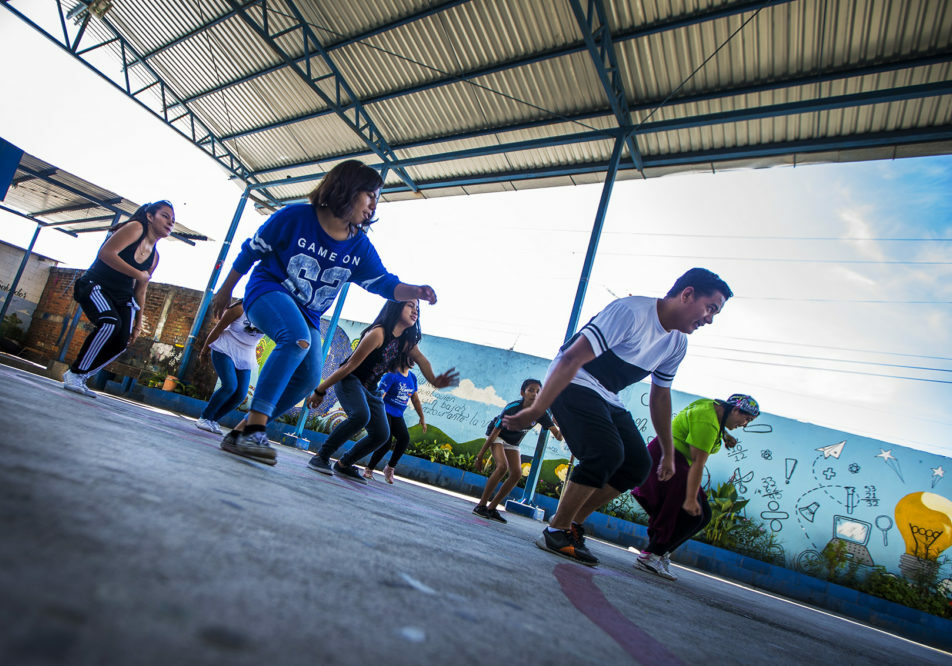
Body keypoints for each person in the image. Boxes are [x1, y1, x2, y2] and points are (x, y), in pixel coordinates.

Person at [210, 160, 440, 464]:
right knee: (295, 339)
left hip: (309, 313)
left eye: (377, 197)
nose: (374, 204)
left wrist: (415, 290)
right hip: (268, 291)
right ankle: (254, 429)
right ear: (346, 189)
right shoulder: (294, 218)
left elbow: (383, 283)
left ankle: (241, 433)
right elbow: (251, 251)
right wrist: (225, 289)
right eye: (370, 194)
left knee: (307, 378)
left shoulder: (359, 246)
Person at [503, 268, 732, 566]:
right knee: (606, 453)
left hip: (608, 394)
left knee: (637, 465)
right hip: (573, 379)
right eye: (710, 308)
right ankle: (555, 531)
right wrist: (536, 409)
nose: (710, 319)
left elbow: (660, 395)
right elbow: (572, 357)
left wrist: (667, 453)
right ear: (687, 294)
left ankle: (569, 525)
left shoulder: (677, 344)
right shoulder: (631, 312)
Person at [306, 299, 457, 482]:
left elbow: (422, 360)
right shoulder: (378, 333)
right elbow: (349, 366)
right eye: (410, 305)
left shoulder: (405, 341)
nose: (415, 311)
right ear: (395, 306)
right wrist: (320, 390)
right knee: (361, 416)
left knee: (382, 434)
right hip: (350, 380)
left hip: (371, 388)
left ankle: (344, 464)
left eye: (417, 308)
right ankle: (320, 457)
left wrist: (435, 380)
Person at [632, 394, 760, 580]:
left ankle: (659, 554)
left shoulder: (713, 407)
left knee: (703, 516)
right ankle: (651, 556)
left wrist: (725, 434)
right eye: (746, 419)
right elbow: (698, 463)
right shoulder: (707, 422)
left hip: (678, 461)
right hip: (670, 460)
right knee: (690, 515)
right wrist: (691, 499)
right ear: (735, 410)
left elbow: (698, 424)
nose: (745, 424)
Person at [63, 201, 175, 396]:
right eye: (165, 216)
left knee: (122, 341)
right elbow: (106, 254)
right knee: (110, 323)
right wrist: (138, 274)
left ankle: (82, 376)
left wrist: (138, 324)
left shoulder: (155, 257)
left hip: (122, 296)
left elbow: (140, 291)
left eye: (173, 220)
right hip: (95, 285)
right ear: (150, 216)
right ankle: (75, 372)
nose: (170, 222)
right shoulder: (136, 228)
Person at [472, 379, 563, 523]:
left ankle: (492, 508)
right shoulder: (513, 408)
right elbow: (495, 431)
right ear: (523, 393)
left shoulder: (541, 413)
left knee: (516, 473)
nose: (534, 394)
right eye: (531, 390)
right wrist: (480, 456)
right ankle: (481, 506)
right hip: (497, 435)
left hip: (513, 442)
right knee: (502, 467)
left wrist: (563, 423)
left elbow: (558, 437)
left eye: (538, 392)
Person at [195, 300, 265, 435]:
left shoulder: (272, 317)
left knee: (240, 394)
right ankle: (204, 417)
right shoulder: (239, 309)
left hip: (246, 354)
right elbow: (217, 329)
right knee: (230, 386)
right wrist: (204, 351)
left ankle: (213, 420)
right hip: (225, 347)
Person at [362, 361, 427, 483]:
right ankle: (369, 469)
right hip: (384, 410)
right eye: (410, 357)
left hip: (397, 414)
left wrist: (422, 417)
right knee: (386, 442)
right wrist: (373, 414)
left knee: (404, 439)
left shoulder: (412, 377)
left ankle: (390, 468)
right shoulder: (391, 374)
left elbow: (415, 398)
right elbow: (380, 395)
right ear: (402, 357)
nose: (413, 360)